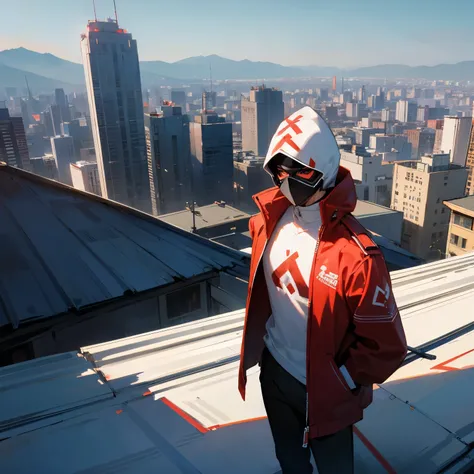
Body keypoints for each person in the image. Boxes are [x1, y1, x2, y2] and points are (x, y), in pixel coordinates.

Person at [238, 106, 407, 474]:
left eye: (303, 171)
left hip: (326, 391)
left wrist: (342, 378)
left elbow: (388, 346)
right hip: (275, 370)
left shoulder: (357, 255)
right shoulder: (267, 222)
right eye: (280, 170)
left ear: (325, 172)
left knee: (335, 469)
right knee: (290, 461)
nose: (289, 179)